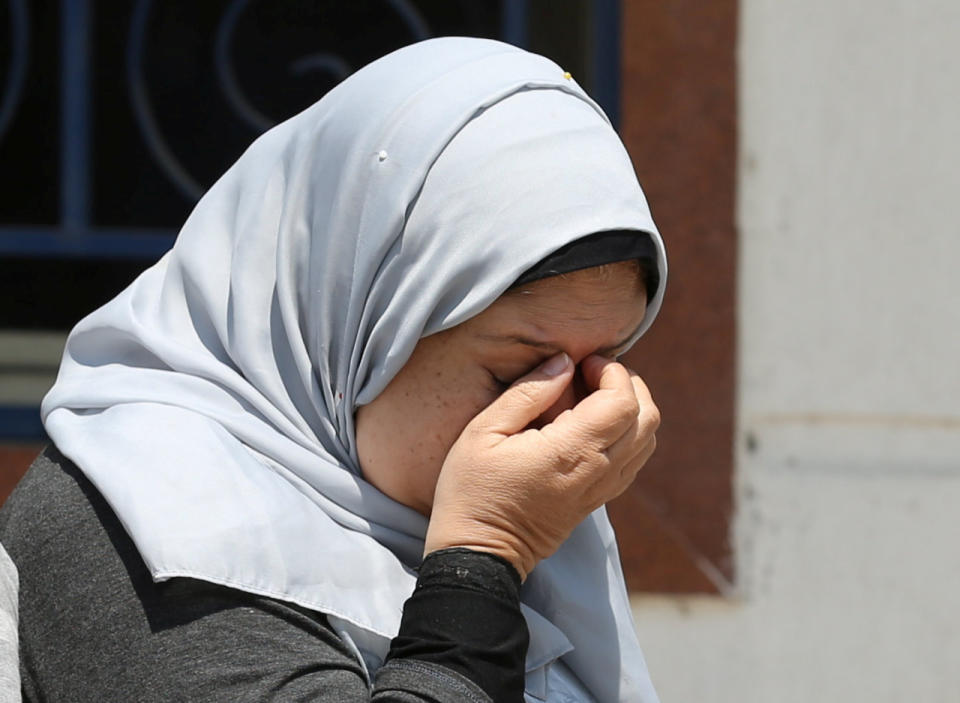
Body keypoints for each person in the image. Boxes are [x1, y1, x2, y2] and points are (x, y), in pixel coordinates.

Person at [0, 37, 666, 702]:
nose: (572, 423)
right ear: (358, 330)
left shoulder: (527, 533)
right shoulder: (150, 524)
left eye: (602, 369)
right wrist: (484, 555)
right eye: (515, 373)